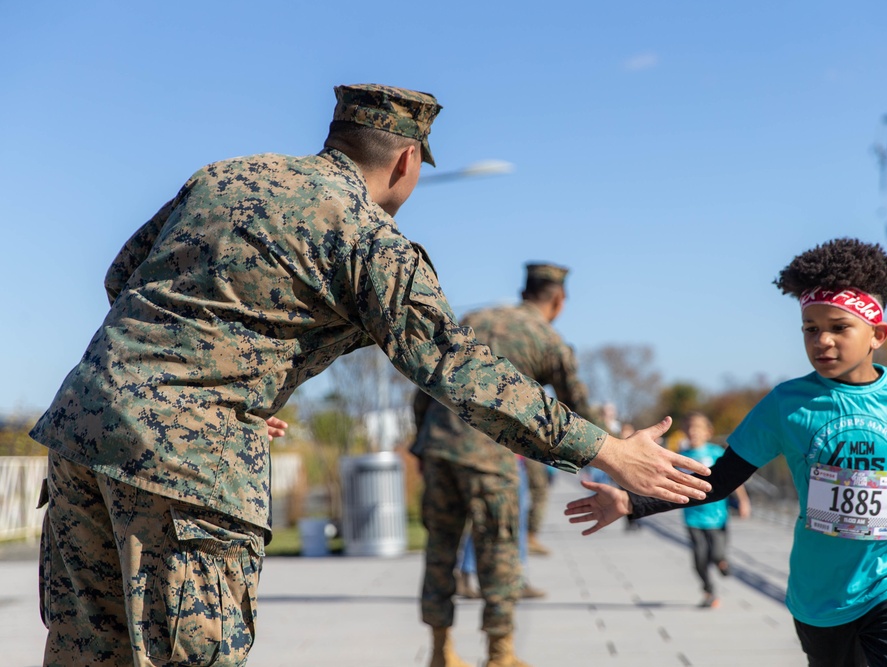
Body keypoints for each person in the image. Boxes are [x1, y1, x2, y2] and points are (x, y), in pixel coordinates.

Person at [30, 84, 714, 667]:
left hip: (81, 430)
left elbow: (123, 275)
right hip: (184, 462)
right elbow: (457, 367)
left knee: (87, 651)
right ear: (408, 161)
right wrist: (606, 448)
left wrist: (217, 378)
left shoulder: (225, 176)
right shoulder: (368, 238)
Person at [565, 238, 887, 667]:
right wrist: (632, 501)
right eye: (811, 329)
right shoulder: (786, 404)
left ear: (876, 335)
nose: (822, 340)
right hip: (820, 591)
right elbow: (718, 482)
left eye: (838, 327)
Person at [413, 262, 603, 667]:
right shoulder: (547, 338)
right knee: (498, 548)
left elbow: (426, 374)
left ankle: (440, 650)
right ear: (558, 300)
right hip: (489, 454)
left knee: (440, 548)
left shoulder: (472, 318)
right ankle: (500, 654)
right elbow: (576, 408)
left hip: (439, 445)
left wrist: (420, 442)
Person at [677, 412, 750, 609]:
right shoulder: (680, 457)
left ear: (708, 432)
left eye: (698, 428)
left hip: (717, 516)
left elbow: (734, 479)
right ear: (684, 431)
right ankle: (709, 591)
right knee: (699, 558)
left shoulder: (717, 452)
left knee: (717, 553)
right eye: (690, 427)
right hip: (692, 516)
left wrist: (742, 501)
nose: (693, 432)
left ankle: (721, 562)